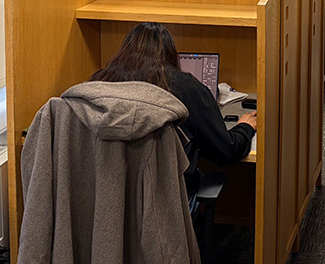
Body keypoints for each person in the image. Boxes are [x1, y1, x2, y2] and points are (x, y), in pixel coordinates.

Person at [89, 22, 255, 193]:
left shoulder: (99, 83)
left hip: (110, 194)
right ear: (170, 54)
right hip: (167, 199)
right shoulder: (185, 88)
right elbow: (226, 151)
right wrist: (245, 127)